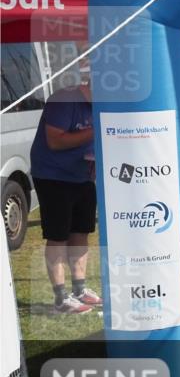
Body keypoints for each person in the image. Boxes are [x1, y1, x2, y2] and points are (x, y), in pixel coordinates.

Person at [30, 73, 101, 314]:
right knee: (58, 235)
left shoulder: (98, 105)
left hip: (82, 174)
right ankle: (61, 297)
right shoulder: (63, 100)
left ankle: (79, 289)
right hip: (53, 176)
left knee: (81, 232)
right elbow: (55, 142)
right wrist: (96, 130)